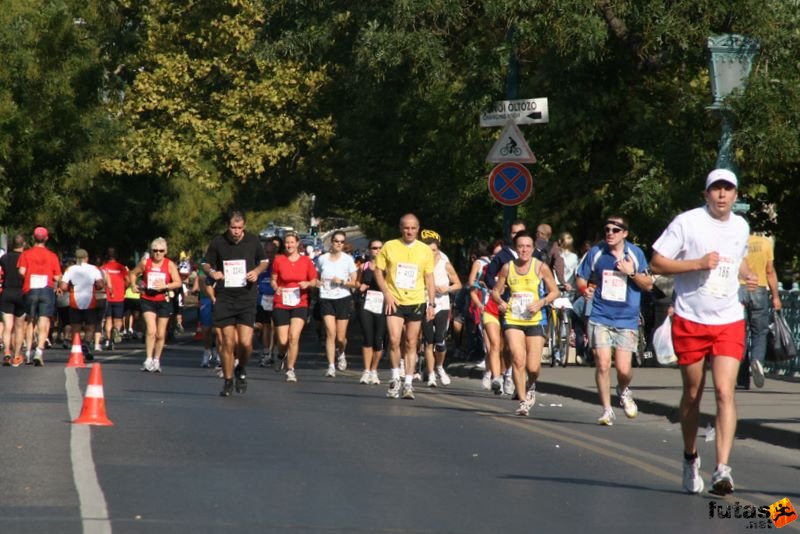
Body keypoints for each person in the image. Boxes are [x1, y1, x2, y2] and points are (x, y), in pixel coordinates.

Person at [650, 168, 758, 496]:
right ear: (706, 193)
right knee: (693, 394)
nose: (722, 195)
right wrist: (697, 263)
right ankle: (689, 456)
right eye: (716, 189)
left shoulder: (741, 226)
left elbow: (734, 257)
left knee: (725, 392)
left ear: (736, 195)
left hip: (727, 319)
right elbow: (656, 263)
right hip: (691, 318)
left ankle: (722, 469)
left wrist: (746, 272)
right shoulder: (687, 223)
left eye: (728, 189)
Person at [576, 216, 653, 425]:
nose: (610, 233)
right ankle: (607, 410)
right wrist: (586, 290)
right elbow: (581, 278)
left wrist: (632, 272)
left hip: (627, 318)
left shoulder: (635, 254)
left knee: (623, 369)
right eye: (607, 229)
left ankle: (623, 389)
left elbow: (648, 285)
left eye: (615, 230)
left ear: (625, 233)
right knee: (602, 364)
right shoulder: (596, 252)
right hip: (600, 315)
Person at [492, 231, 559, 416]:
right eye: (520, 246)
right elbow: (496, 291)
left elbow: (554, 292)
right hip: (513, 318)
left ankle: (531, 384)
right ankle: (522, 401)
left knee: (533, 367)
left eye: (528, 246)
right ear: (515, 247)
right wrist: (501, 302)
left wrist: (541, 302)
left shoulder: (540, 267)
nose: (524, 250)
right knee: (517, 358)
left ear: (532, 248)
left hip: (535, 319)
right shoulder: (507, 267)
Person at [202, 211, 268, 396]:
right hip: (225, 297)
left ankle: (241, 368)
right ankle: (228, 380)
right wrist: (213, 273)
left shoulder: (253, 241)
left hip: (246, 297)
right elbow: (206, 264)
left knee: (246, 343)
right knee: (227, 343)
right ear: (228, 226)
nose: (236, 231)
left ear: (244, 227)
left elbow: (264, 261)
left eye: (239, 228)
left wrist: (256, 271)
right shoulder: (218, 242)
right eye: (233, 227)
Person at [373, 213, 436, 400]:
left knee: (411, 342)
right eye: (406, 228)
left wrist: (431, 303)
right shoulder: (390, 246)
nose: (409, 231)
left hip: (416, 300)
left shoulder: (425, 250)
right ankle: (395, 378)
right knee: (393, 339)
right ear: (401, 228)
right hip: (395, 300)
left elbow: (429, 277)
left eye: (413, 228)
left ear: (418, 229)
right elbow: (378, 271)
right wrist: (386, 293)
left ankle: (408, 383)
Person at [484, 221, 528, 395]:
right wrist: (497, 289)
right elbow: (488, 276)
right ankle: (496, 378)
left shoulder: (532, 256)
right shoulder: (503, 255)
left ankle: (508, 375)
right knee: (495, 344)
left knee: (509, 347)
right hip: (496, 305)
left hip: (517, 308)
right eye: (513, 232)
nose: (516, 235)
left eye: (521, 232)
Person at [271, 231, 318, 383]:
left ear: (298, 243)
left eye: (292, 242)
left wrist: (308, 283)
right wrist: (275, 287)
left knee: (294, 337)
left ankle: (290, 369)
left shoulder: (306, 261)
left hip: (300, 302)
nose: (289, 245)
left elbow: (314, 281)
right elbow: (274, 279)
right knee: (283, 341)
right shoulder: (279, 260)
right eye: (287, 242)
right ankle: (280, 355)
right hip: (282, 301)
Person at [129, 239, 182, 373]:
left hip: (163, 300)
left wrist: (165, 286)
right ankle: (148, 359)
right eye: (155, 250)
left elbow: (178, 282)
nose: (158, 253)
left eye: (161, 251)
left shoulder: (169, 265)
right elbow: (133, 273)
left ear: (165, 252)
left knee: (160, 333)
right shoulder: (145, 263)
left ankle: (156, 360)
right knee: (151, 330)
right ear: (151, 251)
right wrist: (133, 285)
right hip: (148, 299)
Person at [738, 232, 782, 389]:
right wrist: (775, 296)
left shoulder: (737, 242)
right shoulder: (765, 244)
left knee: (739, 333)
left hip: (739, 289)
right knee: (759, 332)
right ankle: (758, 361)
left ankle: (741, 378)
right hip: (759, 289)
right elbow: (770, 272)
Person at [420, 231, 461, 387]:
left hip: (442, 304)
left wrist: (446, 289)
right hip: (425, 303)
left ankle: (439, 366)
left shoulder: (445, 264)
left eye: (434, 250)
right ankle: (431, 374)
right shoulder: (421, 265)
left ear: (439, 250)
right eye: (429, 251)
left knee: (440, 340)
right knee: (428, 342)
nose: (432, 253)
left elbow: (458, 284)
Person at [17, 227, 62, 366]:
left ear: (33, 237)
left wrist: (31, 276)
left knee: (30, 320)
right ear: (46, 238)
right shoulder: (52, 255)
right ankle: (39, 351)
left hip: (30, 289)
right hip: (46, 289)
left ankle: (28, 352)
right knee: (44, 320)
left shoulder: (26, 254)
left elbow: (22, 271)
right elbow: (57, 276)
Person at [316, 230, 358, 377]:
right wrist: (317, 283)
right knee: (330, 333)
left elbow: (355, 283)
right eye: (336, 241)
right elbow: (316, 277)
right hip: (326, 297)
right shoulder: (322, 259)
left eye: (341, 242)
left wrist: (342, 282)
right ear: (331, 242)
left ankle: (341, 352)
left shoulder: (348, 260)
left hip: (343, 298)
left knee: (340, 337)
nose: (339, 244)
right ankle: (331, 365)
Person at [60, 249, 105, 360]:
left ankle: (77, 348)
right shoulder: (94, 268)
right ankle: (87, 343)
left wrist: (70, 286)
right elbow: (100, 284)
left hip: (74, 301)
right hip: (90, 301)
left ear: (76, 259)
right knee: (90, 326)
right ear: (86, 258)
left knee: (76, 326)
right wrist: (95, 285)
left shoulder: (70, 269)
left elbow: (63, 287)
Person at [357, 239, 386, 385]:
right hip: (366, 303)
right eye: (374, 248)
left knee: (378, 339)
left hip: (382, 304)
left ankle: (374, 370)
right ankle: (366, 371)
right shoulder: (365, 266)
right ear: (369, 250)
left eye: (380, 248)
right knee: (367, 337)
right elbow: (356, 282)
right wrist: (360, 286)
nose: (377, 250)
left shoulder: (389, 267)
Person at [0, 234, 28, 366]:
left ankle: (6, 351)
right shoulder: (26, 257)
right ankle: (17, 355)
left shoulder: (4, 258)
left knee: (7, 325)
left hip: (7, 291)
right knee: (19, 326)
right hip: (21, 292)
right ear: (24, 244)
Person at [257, 237, 280, 367]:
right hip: (263, 298)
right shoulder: (260, 264)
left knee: (276, 327)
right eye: (267, 252)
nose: (269, 255)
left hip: (277, 298)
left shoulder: (279, 263)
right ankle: (266, 352)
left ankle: (275, 350)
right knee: (266, 326)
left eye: (272, 252)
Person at [101, 248, 129, 350]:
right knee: (118, 319)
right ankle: (116, 330)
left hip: (107, 297)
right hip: (119, 296)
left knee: (108, 319)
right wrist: (123, 287)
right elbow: (128, 280)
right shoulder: (121, 267)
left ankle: (108, 340)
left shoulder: (103, 268)